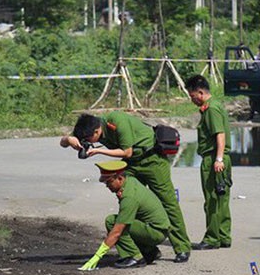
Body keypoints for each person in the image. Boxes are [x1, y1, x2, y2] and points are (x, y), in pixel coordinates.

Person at [60, 111, 191, 263]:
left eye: (88, 139)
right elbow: (63, 142)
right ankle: (147, 250)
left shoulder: (117, 121)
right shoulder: (87, 128)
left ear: (97, 131)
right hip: (133, 164)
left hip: (152, 159)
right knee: (129, 201)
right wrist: (69, 139)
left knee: (168, 203)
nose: (87, 142)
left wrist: (98, 150)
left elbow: (127, 152)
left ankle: (182, 247)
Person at [79, 161, 170, 270]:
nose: (107, 186)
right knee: (125, 220)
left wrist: (96, 257)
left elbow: (117, 232)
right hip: (157, 229)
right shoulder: (130, 181)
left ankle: (135, 257)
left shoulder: (129, 197)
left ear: (120, 178)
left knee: (112, 222)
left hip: (155, 232)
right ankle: (149, 251)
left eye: (109, 182)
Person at [186, 75, 232, 250]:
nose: (192, 100)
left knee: (212, 199)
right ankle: (224, 236)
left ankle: (213, 238)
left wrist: (218, 159)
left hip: (214, 158)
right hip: (220, 158)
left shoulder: (211, 109)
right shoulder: (215, 106)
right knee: (222, 198)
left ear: (200, 92)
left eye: (192, 96)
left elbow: (219, 134)